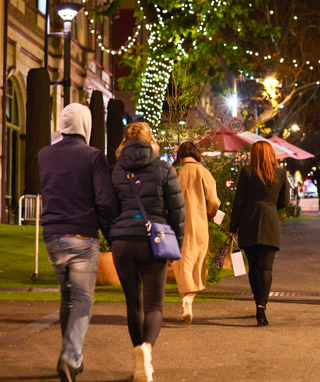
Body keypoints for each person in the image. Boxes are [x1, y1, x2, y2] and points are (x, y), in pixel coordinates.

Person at [39, 103, 117, 382]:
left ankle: (73, 358)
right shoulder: (93, 156)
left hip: (52, 235)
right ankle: (69, 356)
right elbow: (105, 200)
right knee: (82, 300)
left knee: (67, 296)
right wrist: (111, 234)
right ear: (86, 124)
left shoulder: (44, 155)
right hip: (81, 235)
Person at [109, 122, 184, 382]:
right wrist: (178, 247)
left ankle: (138, 357)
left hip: (122, 242)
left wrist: (113, 233)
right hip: (155, 240)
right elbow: (177, 211)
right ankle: (147, 350)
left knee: (134, 302)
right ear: (150, 140)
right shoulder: (164, 169)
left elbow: (107, 207)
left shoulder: (116, 171)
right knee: (154, 305)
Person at [228, 141, 290, 326]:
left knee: (253, 267)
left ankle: (257, 302)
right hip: (270, 222)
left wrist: (233, 227)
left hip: (249, 221)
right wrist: (270, 207)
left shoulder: (247, 172)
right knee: (266, 268)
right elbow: (285, 201)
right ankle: (262, 307)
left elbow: (239, 202)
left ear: (254, 154)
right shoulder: (280, 173)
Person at [172, 141, 220, 325]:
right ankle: (188, 300)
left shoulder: (174, 170)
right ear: (196, 154)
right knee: (196, 263)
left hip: (176, 224)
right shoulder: (202, 172)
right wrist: (210, 214)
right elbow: (214, 202)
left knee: (182, 263)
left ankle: (185, 300)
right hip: (198, 223)